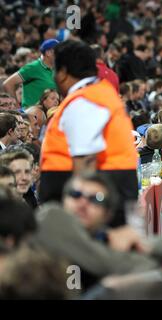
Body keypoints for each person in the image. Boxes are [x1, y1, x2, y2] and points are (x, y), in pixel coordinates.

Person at [39, 40, 138, 228]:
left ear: (63, 72)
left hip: (87, 200)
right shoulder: (100, 93)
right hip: (112, 185)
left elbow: (85, 160)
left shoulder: (84, 100)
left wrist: (81, 206)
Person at [3, 39, 59, 110]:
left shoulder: (56, 69)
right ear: (48, 53)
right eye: (58, 52)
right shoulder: (33, 67)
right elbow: (8, 84)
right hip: (31, 116)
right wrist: (16, 107)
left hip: (49, 114)